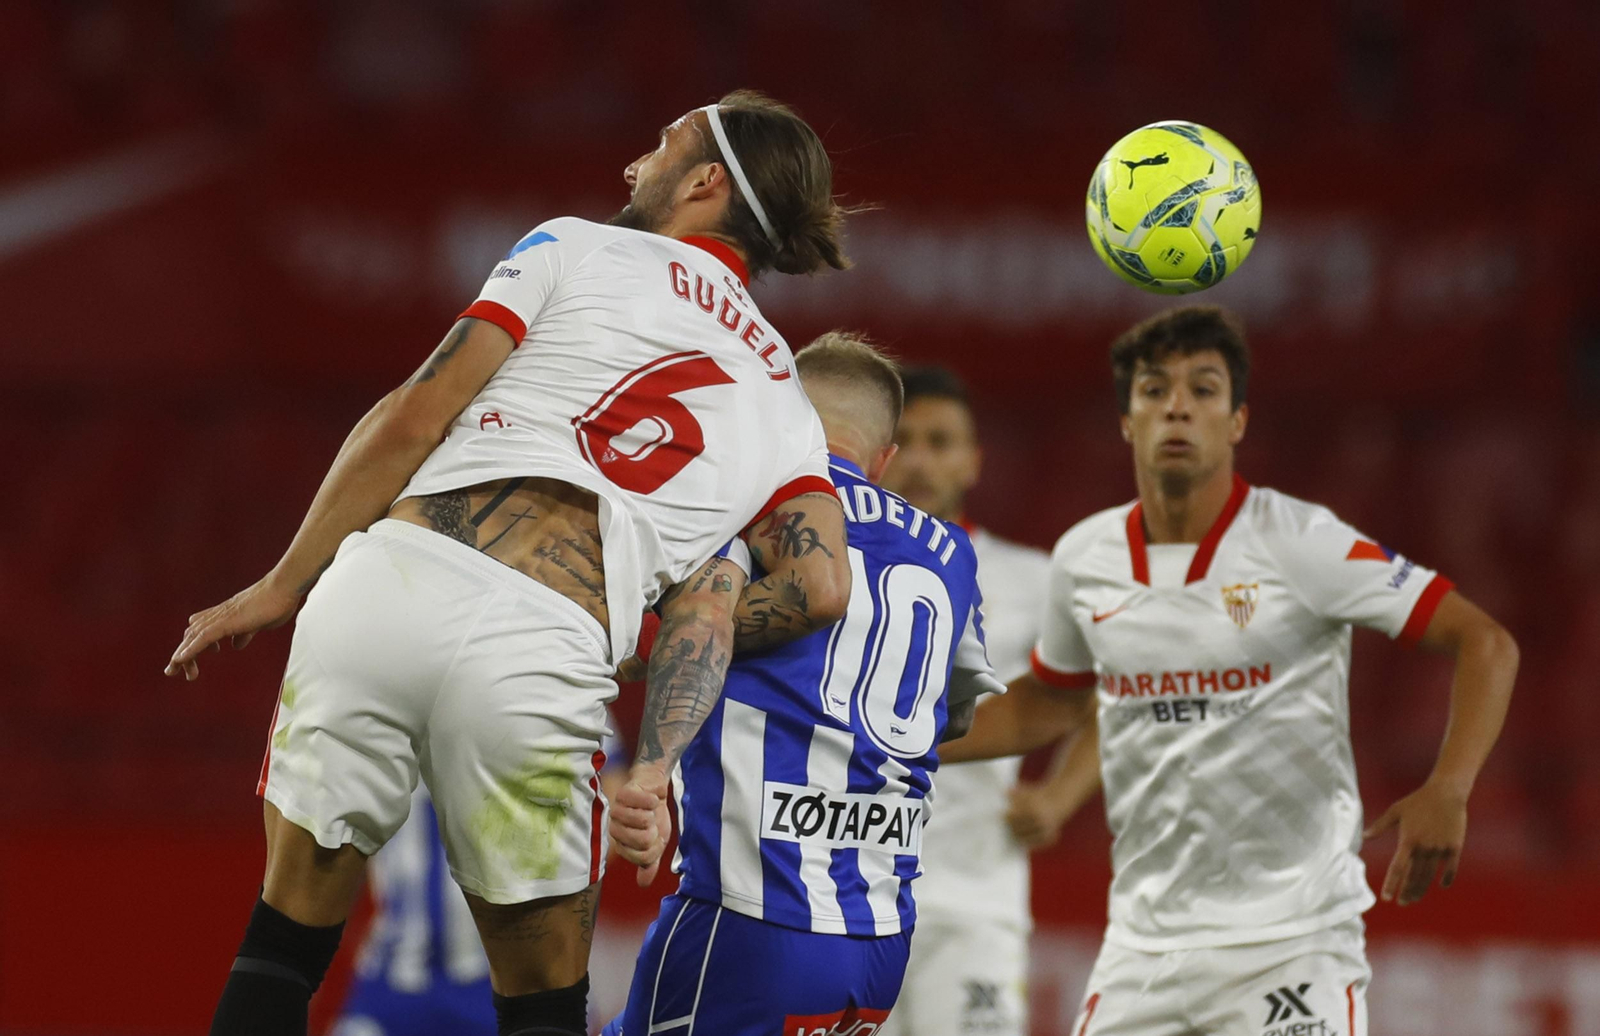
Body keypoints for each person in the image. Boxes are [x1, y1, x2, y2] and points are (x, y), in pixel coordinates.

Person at [165, 90, 857, 1036]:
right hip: (546, 641)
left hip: (387, 584)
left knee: (281, 944)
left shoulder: (572, 244)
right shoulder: (786, 398)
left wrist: (284, 583)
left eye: (661, 146)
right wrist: (641, 659)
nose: (632, 165)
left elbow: (418, 408)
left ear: (704, 182)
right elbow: (821, 586)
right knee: (542, 1007)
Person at [943, 306, 1519, 1036]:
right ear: (1126, 421)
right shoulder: (1085, 557)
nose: (1177, 405)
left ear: (1238, 420)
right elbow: (1047, 706)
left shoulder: (1302, 542)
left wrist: (1451, 786)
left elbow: (1486, 642)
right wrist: (894, 737)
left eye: (1203, 389)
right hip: (1144, 950)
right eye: (1154, 390)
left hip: (1292, 945)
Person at [605, 333, 1004, 1035]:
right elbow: (953, 717)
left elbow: (688, 638)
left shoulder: (752, 512)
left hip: (752, 914)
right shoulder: (953, 554)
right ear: (885, 458)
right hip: (880, 937)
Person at [877, 367, 1098, 1036]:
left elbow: (1106, 701)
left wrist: (1057, 798)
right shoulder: (836, 573)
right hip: (845, 898)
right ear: (878, 454)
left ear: (973, 461)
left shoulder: (1034, 579)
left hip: (975, 900)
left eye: (940, 441)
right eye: (905, 440)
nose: (920, 459)